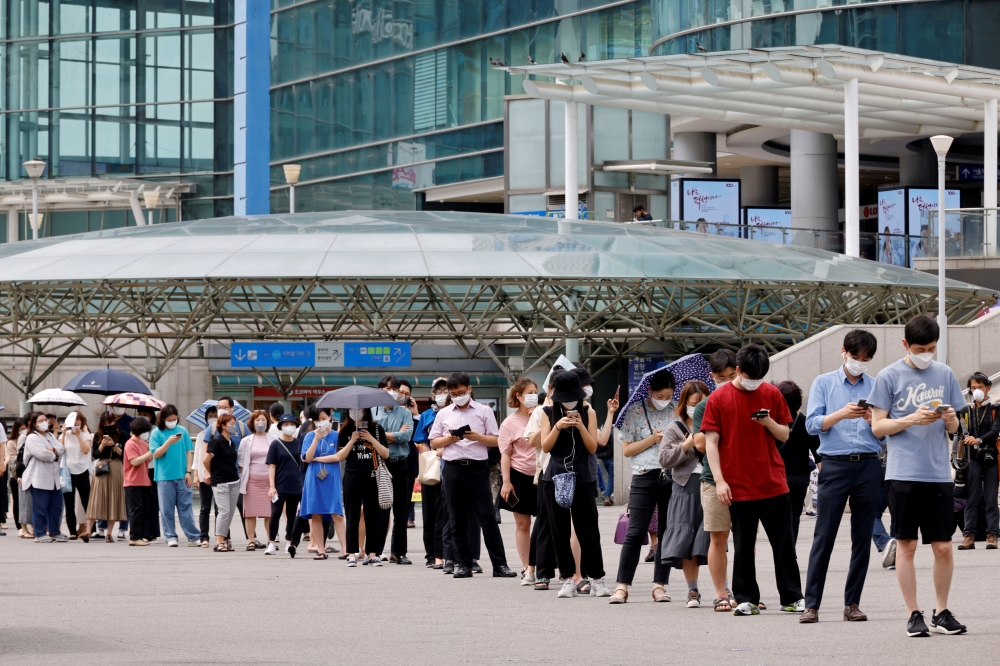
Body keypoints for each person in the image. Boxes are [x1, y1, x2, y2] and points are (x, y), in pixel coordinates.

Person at [869, 314, 967, 636]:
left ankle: (942, 610)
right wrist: (911, 419)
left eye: (932, 348)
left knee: (943, 547)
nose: (927, 353)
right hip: (903, 473)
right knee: (907, 546)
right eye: (921, 348)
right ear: (905, 345)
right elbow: (878, 426)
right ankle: (914, 613)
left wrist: (951, 419)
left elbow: (955, 428)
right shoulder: (888, 376)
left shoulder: (945, 373)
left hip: (938, 473)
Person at [703, 343, 803, 616]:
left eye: (759, 378)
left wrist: (768, 422)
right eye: (750, 378)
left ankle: (793, 597)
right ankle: (746, 598)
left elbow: (784, 434)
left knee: (784, 544)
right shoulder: (718, 398)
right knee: (743, 547)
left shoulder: (771, 393)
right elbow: (711, 443)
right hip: (738, 484)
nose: (754, 383)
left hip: (773, 482)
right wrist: (720, 481)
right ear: (738, 370)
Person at [799, 329, 882, 624]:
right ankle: (811, 605)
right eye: (856, 356)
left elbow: (885, 435)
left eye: (866, 358)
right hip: (834, 465)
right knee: (824, 535)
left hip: (869, 464)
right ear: (843, 351)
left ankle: (853, 604)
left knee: (862, 537)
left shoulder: (877, 386)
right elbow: (811, 425)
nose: (860, 362)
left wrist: (875, 421)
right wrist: (840, 414)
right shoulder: (823, 382)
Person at [430, 372, 517, 579]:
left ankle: (500, 564)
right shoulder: (444, 414)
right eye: (453, 394)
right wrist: (449, 438)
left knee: (487, 516)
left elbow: (496, 440)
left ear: (469, 389)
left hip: (478, 468)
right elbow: (434, 442)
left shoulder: (484, 411)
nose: (457, 396)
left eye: (461, 392)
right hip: (452, 468)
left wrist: (478, 437)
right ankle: (464, 564)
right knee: (456, 518)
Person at [609, 367, 677, 604]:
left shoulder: (677, 410)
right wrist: (652, 439)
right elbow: (627, 450)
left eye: (668, 396)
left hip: (671, 476)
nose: (664, 401)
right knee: (635, 532)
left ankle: (659, 585)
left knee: (667, 532)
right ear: (650, 391)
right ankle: (622, 586)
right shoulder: (634, 412)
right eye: (660, 396)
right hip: (644, 475)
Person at [538, 371, 609, 597]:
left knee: (588, 529)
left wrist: (580, 426)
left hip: (583, 476)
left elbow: (592, 448)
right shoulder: (547, 412)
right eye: (566, 398)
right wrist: (558, 426)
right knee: (559, 530)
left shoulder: (589, 411)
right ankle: (567, 579)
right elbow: (546, 447)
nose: (570, 403)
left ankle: (597, 578)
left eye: (574, 398)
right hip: (555, 477)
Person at [693, 350, 740, 611]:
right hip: (713, 480)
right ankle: (721, 593)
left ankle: (745, 591)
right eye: (721, 377)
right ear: (712, 377)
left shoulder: (747, 399)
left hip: (744, 479)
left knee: (746, 540)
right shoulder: (705, 405)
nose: (727, 380)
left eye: (732, 376)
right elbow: (701, 444)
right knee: (718, 538)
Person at [659, 380, 711, 608]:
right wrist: (686, 445)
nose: (696, 408)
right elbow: (664, 459)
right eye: (692, 403)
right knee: (687, 539)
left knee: (714, 538)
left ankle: (725, 588)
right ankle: (693, 591)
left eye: (701, 403)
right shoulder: (675, 428)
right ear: (684, 404)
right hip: (684, 486)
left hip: (709, 482)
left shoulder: (714, 423)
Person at [499, 377, 539, 580]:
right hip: (520, 476)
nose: (534, 396)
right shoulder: (509, 423)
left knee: (546, 523)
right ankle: (527, 566)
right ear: (519, 395)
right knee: (523, 525)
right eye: (529, 392)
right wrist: (506, 481)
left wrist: (537, 420)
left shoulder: (543, 415)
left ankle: (544, 563)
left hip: (542, 475)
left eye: (535, 392)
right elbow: (505, 454)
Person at [372, 376, 415, 564]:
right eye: (386, 388)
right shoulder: (372, 412)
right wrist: (391, 436)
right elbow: (370, 437)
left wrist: (383, 436)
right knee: (381, 509)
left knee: (401, 510)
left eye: (393, 388)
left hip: (400, 463)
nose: (390, 392)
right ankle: (377, 551)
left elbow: (406, 435)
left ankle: (399, 552)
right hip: (379, 464)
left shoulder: (405, 413)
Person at [340, 407, 390, 566]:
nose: (355, 411)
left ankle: (373, 553)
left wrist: (371, 439)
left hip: (372, 476)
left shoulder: (376, 428)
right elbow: (340, 456)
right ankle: (352, 553)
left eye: (359, 408)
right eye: (351, 409)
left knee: (373, 516)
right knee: (352, 515)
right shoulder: (345, 430)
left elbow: (386, 454)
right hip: (352, 476)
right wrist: (352, 440)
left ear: (365, 410)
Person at [774, 381, 820, 545]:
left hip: (777, 477)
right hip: (800, 479)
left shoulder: (773, 423)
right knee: (794, 517)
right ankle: (790, 552)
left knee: (778, 519)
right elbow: (818, 455)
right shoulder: (805, 422)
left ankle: (782, 552)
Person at [958, 372, 999, 550]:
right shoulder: (966, 411)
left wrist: (979, 440)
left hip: (990, 457)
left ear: (988, 388)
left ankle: (992, 535)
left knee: (991, 499)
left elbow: (995, 431)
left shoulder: (995, 409)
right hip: (972, 459)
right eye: (973, 388)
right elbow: (959, 434)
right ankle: (969, 535)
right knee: (971, 499)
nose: (977, 391)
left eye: (980, 387)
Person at [149, 405, 199, 547]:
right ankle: (170, 536)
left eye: (175, 419)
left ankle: (193, 536)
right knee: (166, 509)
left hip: (182, 475)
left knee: (186, 507)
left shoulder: (182, 431)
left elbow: (189, 451)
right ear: (163, 419)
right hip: (164, 477)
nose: (173, 421)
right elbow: (156, 454)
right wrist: (168, 442)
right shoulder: (156, 433)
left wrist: (188, 472)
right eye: (170, 419)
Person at [300, 412, 347, 561]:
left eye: (324, 418)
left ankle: (346, 549)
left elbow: (339, 456)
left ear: (329, 418)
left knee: (337, 514)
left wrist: (317, 458)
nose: (322, 422)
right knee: (316, 514)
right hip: (314, 477)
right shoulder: (308, 436)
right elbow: (307, 458)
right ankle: (320, 549)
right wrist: (315, 439)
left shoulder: (336, 435)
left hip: (331, 476)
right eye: (318, 419)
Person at [414, 377, 448, 567]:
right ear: (433, 394)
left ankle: (446, 554)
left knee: (447, 513)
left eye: (446, 390)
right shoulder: (427, 415)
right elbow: (422, 441)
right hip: (432, 466)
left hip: (452, 464)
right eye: (439, 391)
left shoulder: (456, 414)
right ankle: (431, 555)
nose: (442, 394)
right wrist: (433, 455)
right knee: (430, 513)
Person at [22, 411, 66, 542]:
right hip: (38, 477)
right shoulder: (32, 438)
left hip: (53, 478)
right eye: (40, 421)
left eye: (45, 420)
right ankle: (39, 533)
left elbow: (62, 448)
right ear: (34, 424)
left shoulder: (51, 436)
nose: (44, 422)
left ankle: (54, 531)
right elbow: (42, 454)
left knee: (56, 506)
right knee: (40, 507)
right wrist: (55, 454)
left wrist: (53, 450)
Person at [86, 412, 128, 543]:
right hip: (101, 466)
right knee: (96, 499)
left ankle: (109, 533)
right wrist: (103, 444)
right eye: (105, 424)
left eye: (110, 423)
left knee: (113, 499)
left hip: (115, 467)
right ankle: (88, 531)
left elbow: (124, 454)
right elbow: (95, 454)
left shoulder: (121, 435)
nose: (108, 426)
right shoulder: (97, 435)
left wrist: (114, 445)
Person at [236, 410, 274, 550]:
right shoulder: (246, 440)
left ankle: (271, 540)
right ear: (252, 423)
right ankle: (251, 540)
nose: (260, 423)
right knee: (250, 512)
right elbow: (240, 462)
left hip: (269, 482)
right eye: (257, 420)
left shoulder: (273, 440)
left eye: (263, 420)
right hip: (251, 482)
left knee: (269, 513)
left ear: (267, 422)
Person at [266, 414, 304, 555]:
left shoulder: (299, 442)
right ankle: (271, 543)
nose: (289, 426)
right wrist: (272, 486)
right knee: (275, 513)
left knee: (291, 515)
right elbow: (272, 466)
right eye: (286, 424)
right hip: (279, 485)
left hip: (295, 485)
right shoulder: (275, 444)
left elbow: (302, 464)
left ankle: (289, 542)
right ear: (281, 426)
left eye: (292, 424)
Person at [204, 413, 241, 552]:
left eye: (234, 423)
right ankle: (219, 541)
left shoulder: (232, 442)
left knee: (230, 512)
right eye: (231, 424)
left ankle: (224, 539)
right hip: (220, 482)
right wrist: (211, 473)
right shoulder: (216, 441)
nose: (234, 426)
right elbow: (206, 460)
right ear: (223, 426)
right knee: (224, 511)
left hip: (233, 480)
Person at [59, 412, 93, 541]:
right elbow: (61, 449)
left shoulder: (86, 435)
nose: (76, 422)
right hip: (68, 472)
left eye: (79, 420)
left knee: (86, 501)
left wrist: (79, 435)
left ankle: (90, 529)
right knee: (69, 503)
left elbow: (85, 450)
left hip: (82, 470)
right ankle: (72, 531)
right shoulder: (65, 435)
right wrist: (62, 433)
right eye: (74, 420)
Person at [124, 417, 155, 546]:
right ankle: (134, 537)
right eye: (145, 431)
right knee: (135, 510)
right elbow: (134, 461)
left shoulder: (142, 443)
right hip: (133, 482)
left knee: (144, 510)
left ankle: (140, 535)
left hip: (144, 481)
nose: (147, 434)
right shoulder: (130, 443)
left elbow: (145, 461)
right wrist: (148, 454)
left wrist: (150, 454)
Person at [192, 405, 217, 547]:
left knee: (221, 509)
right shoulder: (202, 435)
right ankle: (204, 537)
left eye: (215, 414)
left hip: (220, 475)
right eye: (210, 415)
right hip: (204, 476)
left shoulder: (223, 434)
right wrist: (196, 475)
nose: (213, 417)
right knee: (205, 507)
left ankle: (222, 536)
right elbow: (197, 457)